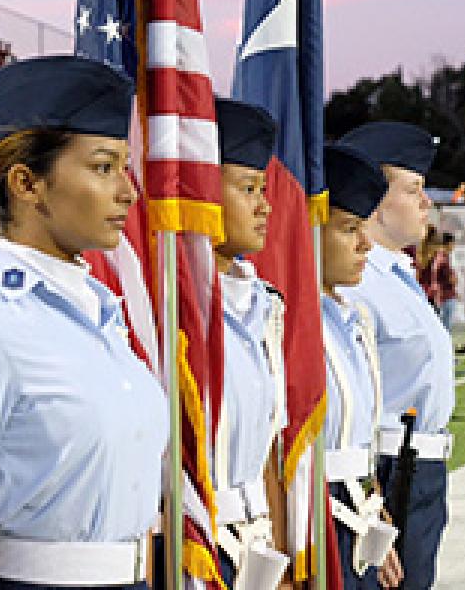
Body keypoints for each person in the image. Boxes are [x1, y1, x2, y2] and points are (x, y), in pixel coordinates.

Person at [0, 55, 168, 590]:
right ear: (28, 183)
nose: (128, 192)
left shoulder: (103, 314)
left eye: (124, 167)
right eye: (103, 167)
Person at [338, 121, 453, 590]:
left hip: (417, 468)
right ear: (378, 200)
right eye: (414, 189)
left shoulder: (396, 275)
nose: (427, 203)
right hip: (389, 470)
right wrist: (368, 499)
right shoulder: (360, 283)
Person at [208, 98, 288, 589]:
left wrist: (275, 554)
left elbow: (266, 455)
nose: (265, 205)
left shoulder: (262, 304)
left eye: (264, 188)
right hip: (193, 541)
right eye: (248, 188)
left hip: (252, 541)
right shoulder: (162, 310)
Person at [322, 144, 402, 590]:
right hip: (312, 518)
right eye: (349, 228)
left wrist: (374, 507)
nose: (365, 243)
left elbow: (359, 437)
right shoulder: (285, 325)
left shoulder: (356, 320)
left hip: (359, 511)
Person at [434, 232, 458, 332]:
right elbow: (451, 280)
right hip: (446, 297)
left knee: (443, 326)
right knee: (445, 328)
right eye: (453, 244)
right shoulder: (443, 259)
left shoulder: (441, 258)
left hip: (442, 296)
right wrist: (454, 279)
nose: (454, 246)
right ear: (448, 244)